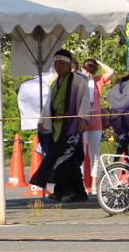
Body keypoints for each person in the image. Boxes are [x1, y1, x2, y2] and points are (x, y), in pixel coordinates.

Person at [30, 49, 91, 203]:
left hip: (72, 125)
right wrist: (43, 120)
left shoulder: (78, 81)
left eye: (62, 63)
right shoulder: (55, 83)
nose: (58, 66)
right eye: (56, 63)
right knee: (61, 159)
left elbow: (84, 100)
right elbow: (49, 104)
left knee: (68, 159)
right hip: (58, 127)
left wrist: (83, 119)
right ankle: (70, 191)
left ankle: (68, 191)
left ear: (69, 65)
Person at [82, 58, 114, 194]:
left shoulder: (98, 81)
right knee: (81, 155)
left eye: (90, 71)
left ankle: (94, 185)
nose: (88, 74)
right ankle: (83, 185)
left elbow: (111, 72)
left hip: (95, 122)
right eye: (86, 70)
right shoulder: (80, 81)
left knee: (94, 155)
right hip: (82, 122)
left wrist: (99, 62)